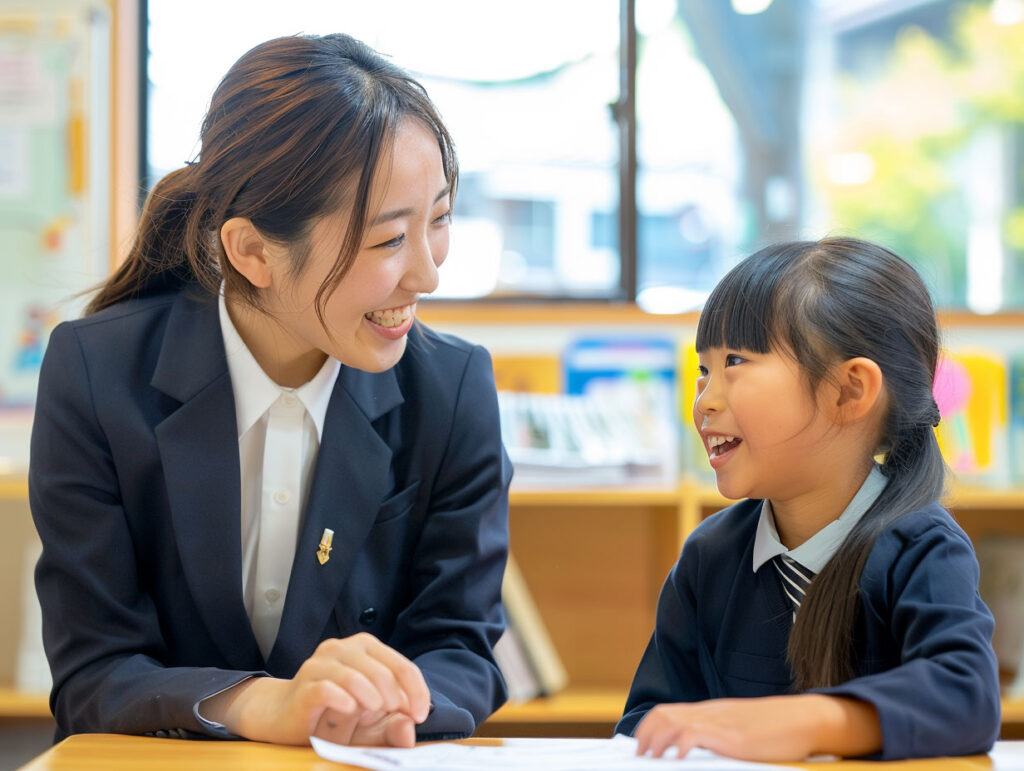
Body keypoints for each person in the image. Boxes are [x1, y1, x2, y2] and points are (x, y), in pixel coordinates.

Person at [29, 33, 511, 747]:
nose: (427, 274)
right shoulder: (97, 373)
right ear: (252, 250)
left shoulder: (454, 388)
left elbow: (463, 649)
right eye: (386, 242)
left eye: (437, 220)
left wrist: (392, 703)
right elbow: (94, 671)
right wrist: (261, 704)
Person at [616, 237, 1000, 760]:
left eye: (735, 362)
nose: (705, 400)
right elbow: (649, 721)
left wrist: (803, 724)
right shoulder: (711, 554)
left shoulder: (920, 548)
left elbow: (966, 698)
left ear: (849, 391)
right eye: (703, 370)